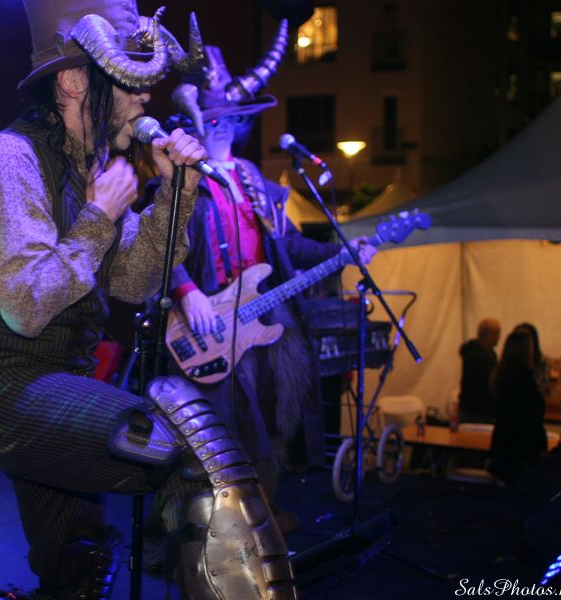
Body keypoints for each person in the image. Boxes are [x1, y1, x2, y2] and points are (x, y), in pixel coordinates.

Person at [0, 2, 296, 598]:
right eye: (131, 83)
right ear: (75, 82)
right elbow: (27, 308)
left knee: (77, 565)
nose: (147, 97)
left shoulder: (92, 167)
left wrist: (176, 191)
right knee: (193, 456)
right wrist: (99, 216)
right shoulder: (8, 161)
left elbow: (133, 282)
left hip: (59, 384)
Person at [146, 33, 377, 532]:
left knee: (272, 417)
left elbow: (290, 246)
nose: (221, 127)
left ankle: (258, 515)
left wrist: (343, 253)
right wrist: (186, 290)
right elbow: (157, 242)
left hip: (263, 319)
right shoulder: (182, 178)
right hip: (207, 325)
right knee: (215, 429)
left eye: (230, 118)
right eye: (212, 118)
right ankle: (203, 528)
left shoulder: (255, 182)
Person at [488, 330, 548, 485]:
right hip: (521, 446)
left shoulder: (500, 374)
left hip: (503, 441)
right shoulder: (524, 378)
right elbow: (533, 415)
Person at [458, 317, 501, 423]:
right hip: (475, 412)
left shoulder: (491, 354)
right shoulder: (475, 356)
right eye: (496, 333)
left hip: (482, 410)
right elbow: (487, 381)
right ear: (488, 334)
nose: (499, 337)